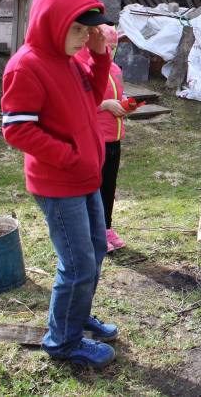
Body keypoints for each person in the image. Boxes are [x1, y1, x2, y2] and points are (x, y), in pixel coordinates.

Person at [0, 0, 120, 368]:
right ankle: (62, 341)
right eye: (79, 29)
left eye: (89, 30)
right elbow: (16, 129)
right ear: (52, 19)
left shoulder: (69, 61)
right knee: (78, 262)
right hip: (59, 182)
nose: (85, 37)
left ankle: (76, 313)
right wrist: (70, 157)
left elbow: (94, 96)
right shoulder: (27, 66)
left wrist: (100, 56)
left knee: (96, 250)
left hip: (86, 178)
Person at [75, 26, 131, 252]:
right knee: (94, 188)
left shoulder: (115, 68)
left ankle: (106, 227)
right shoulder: (83, 67)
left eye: (113, 48)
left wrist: (126, 104)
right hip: (96, 137)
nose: (110, 51)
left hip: (114, 137)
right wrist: (105, 106)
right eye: (107, 46)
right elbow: (81, 105)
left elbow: (119, 93)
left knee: (109, 186)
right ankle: (94, 232)